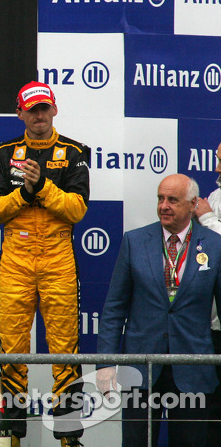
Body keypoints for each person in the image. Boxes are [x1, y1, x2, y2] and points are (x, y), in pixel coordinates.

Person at [0, 81, 89, 447]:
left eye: (44, 108)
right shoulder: (4, 152)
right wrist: (22, 194)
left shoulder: (74, 153)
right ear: (20, 113)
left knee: (64, 351)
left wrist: (41, 186)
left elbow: (77, 209)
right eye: (32, 109)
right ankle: (12, 436)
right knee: (12, 350)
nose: (39, 115)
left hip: (58, 258)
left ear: (54, 110)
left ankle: (69, 438)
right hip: (16, 258)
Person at [97, 174, 221, 446]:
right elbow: (114, 309)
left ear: (192, 205)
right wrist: (106, 365)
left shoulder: (215, 245)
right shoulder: (135, 241)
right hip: (140, 371)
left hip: (193, 370)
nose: (164, 205)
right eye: (160, 198)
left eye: (172, 200)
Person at [191, 141, 221, 439]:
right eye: (216, 159)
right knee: (210, 409)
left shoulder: (209, 206)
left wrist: (209, 219)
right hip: (210, 323)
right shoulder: (214, 195)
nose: (216, 168)